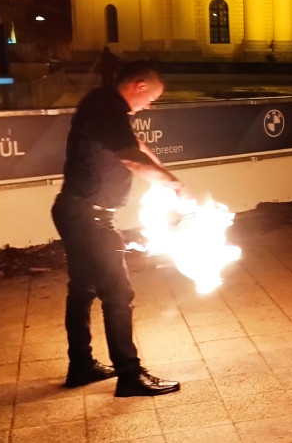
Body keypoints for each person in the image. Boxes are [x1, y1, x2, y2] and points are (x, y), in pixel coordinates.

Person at [52, 61, 189, 396]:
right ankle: (129, 375)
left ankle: (81, 366)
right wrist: (176, 186)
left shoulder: (105, 105)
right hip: (89, 218)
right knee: (118, 294)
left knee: (83, 289)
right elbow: (130, 157)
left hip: (77, 212)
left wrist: (163, 174)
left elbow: (136, 146)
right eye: (151, 98)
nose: (149, 105)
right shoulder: (106, 107)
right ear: (139, 85)